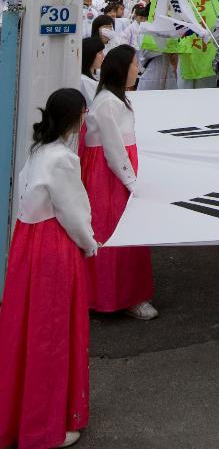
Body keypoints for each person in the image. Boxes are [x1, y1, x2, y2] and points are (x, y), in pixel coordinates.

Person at [0, 88, 97, 449]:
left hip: (28, 242)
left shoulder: (38, 151)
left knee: (27, 329)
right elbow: (73, 213)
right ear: (76, 118)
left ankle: (24, 414)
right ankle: (45, 424)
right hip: (53, 248)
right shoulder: (63, 159)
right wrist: (90, 243)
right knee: (52, 333)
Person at [81, 44, 157, 320]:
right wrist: (131, 182)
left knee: (122, 235)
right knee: (113, 234)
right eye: (135, 65)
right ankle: (115, 296)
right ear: (122, 69)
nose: (138, 70)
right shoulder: (107, 103)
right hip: (109, 181)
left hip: (116, 175)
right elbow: (113, 150)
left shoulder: (116, 99)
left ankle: (126, 294)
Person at [81, 36, 105, 107]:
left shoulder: (94, 74)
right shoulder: (84, 81)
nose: (103, 56)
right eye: (100, 53)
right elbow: (96, 105)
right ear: (90, 54)